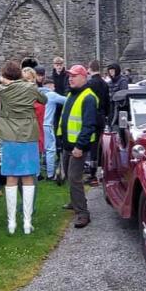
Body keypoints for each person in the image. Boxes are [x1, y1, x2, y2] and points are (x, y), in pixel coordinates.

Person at [0, 61, 47, 234]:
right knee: (28, 176)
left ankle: (11, 222)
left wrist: (2, 79)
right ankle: (27, 223)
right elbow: (44, 99)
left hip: (10, 137)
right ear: (20, 74)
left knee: (11, 177)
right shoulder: (30, 87)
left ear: (6, 76)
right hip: (28, 136)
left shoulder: (3, 90)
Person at [58, 64, 98, 229]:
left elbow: (89, 125)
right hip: (69, 145)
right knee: (69, 175)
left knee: (75, 178)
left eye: (74, 75)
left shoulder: (88, 97)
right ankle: (75, 202)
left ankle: (83, 213)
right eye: (70, 76)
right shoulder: (71, 94)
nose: (70, 78)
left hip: (78, 147)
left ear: (84, 77)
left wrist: (80, 146)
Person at [86, 60, 109, 184]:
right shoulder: (104, 84)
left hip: (92, 116)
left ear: (90, 69)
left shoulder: (90, 83)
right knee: (101, 144)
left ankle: (93, 173)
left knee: (93, 145)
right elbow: (107, 102)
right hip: (101, 117)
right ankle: (101, 170)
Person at [41, 78, 67, 181]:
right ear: (50, 86)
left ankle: (37, 174)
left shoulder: (36, 94)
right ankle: (50, 174)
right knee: (50, 150)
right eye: (53, 86)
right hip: (47, 125)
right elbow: (67, 101)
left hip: (36, 125)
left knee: (38, 151)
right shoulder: (51, 95)